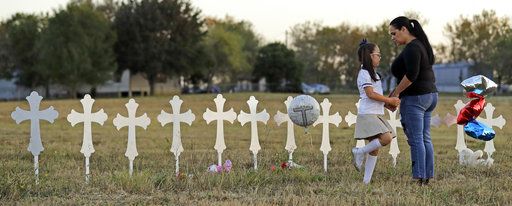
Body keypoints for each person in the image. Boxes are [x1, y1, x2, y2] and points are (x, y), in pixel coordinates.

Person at [388, 16, 438, 185]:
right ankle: (426, 176)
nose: (393, 38)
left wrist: (396, 93)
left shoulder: (412, 48)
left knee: (417, 139)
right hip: (429, 96)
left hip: (416, 98)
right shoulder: (420, 45)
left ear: (404, 29)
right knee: (424, 138)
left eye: (394, 33)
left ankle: (419, 177)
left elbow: (411, 75)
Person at [351, 39, 400, 184]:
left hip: (376, 113)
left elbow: (376, 97)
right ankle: (358, 152)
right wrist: (389, 100)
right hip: (368, 114)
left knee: (374, 149)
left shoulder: (374, 75)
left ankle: (366, 181)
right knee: (386, 138)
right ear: (370, 56)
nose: (380, 57)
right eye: (378, 54)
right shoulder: (364, 73)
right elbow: (370, 94)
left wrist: (386, 105)